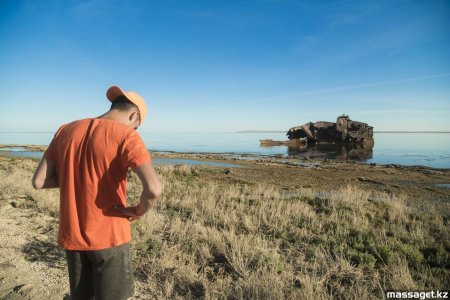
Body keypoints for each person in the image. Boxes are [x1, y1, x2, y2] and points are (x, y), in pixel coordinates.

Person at [32, 85, 162, 300]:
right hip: (110, 235)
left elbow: (38, 181)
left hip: (72, 235)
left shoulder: (65, 130)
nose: (134, 131)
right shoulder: (126, 136)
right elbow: (154, 189)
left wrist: (77, 177)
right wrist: (138, 210)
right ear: (133, 115)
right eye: (136, 126)